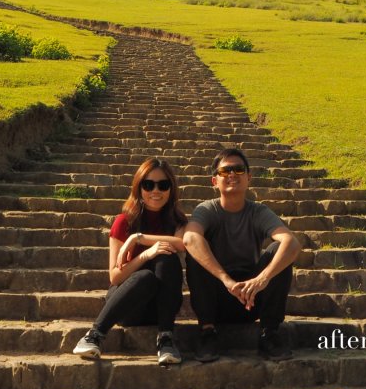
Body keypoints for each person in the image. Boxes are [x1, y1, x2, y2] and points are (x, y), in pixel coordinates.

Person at [183, 147, 301, 362]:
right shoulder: (207, 210)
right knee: (195, 251)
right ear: (214, 181)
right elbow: (189, 238)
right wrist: (226, 280)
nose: (232, 175)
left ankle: (270, 333)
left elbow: (291, 242)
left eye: (238, 170)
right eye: (225, 171)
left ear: (248, 178)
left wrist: (261, 279)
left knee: (278, 251)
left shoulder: (258, 211)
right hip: (216, 299)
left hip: (250, 298)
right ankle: (207, 332)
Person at [72, 157, 188, 365]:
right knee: (145, 277)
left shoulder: (177, 220)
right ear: (138, 187)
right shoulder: (124, 221)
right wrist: (145, 255)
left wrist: (138, 238)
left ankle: (166, 338)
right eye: (148, 184)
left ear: (171, 189)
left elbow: (182, 243)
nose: (156, 190)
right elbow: (115, 276)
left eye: (163, 185)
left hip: (162, 308)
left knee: (166, 257)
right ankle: (95, 335)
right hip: (128, 305)